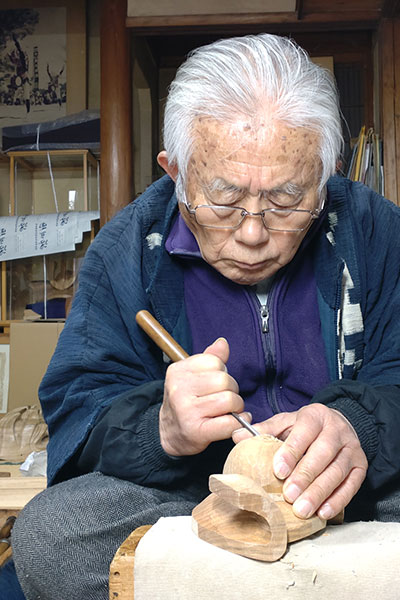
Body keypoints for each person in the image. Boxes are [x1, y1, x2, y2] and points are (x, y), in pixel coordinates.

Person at [10, 33, 400, 600]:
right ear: (176, 172)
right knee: (53, 534)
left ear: (326, 172)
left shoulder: (376, 230)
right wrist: (162, 428)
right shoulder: (125, 251)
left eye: (287, 200)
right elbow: (78, 409)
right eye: (223, 199)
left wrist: (358, 428)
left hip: (351, 491)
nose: (252, 232)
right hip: (202, 497)